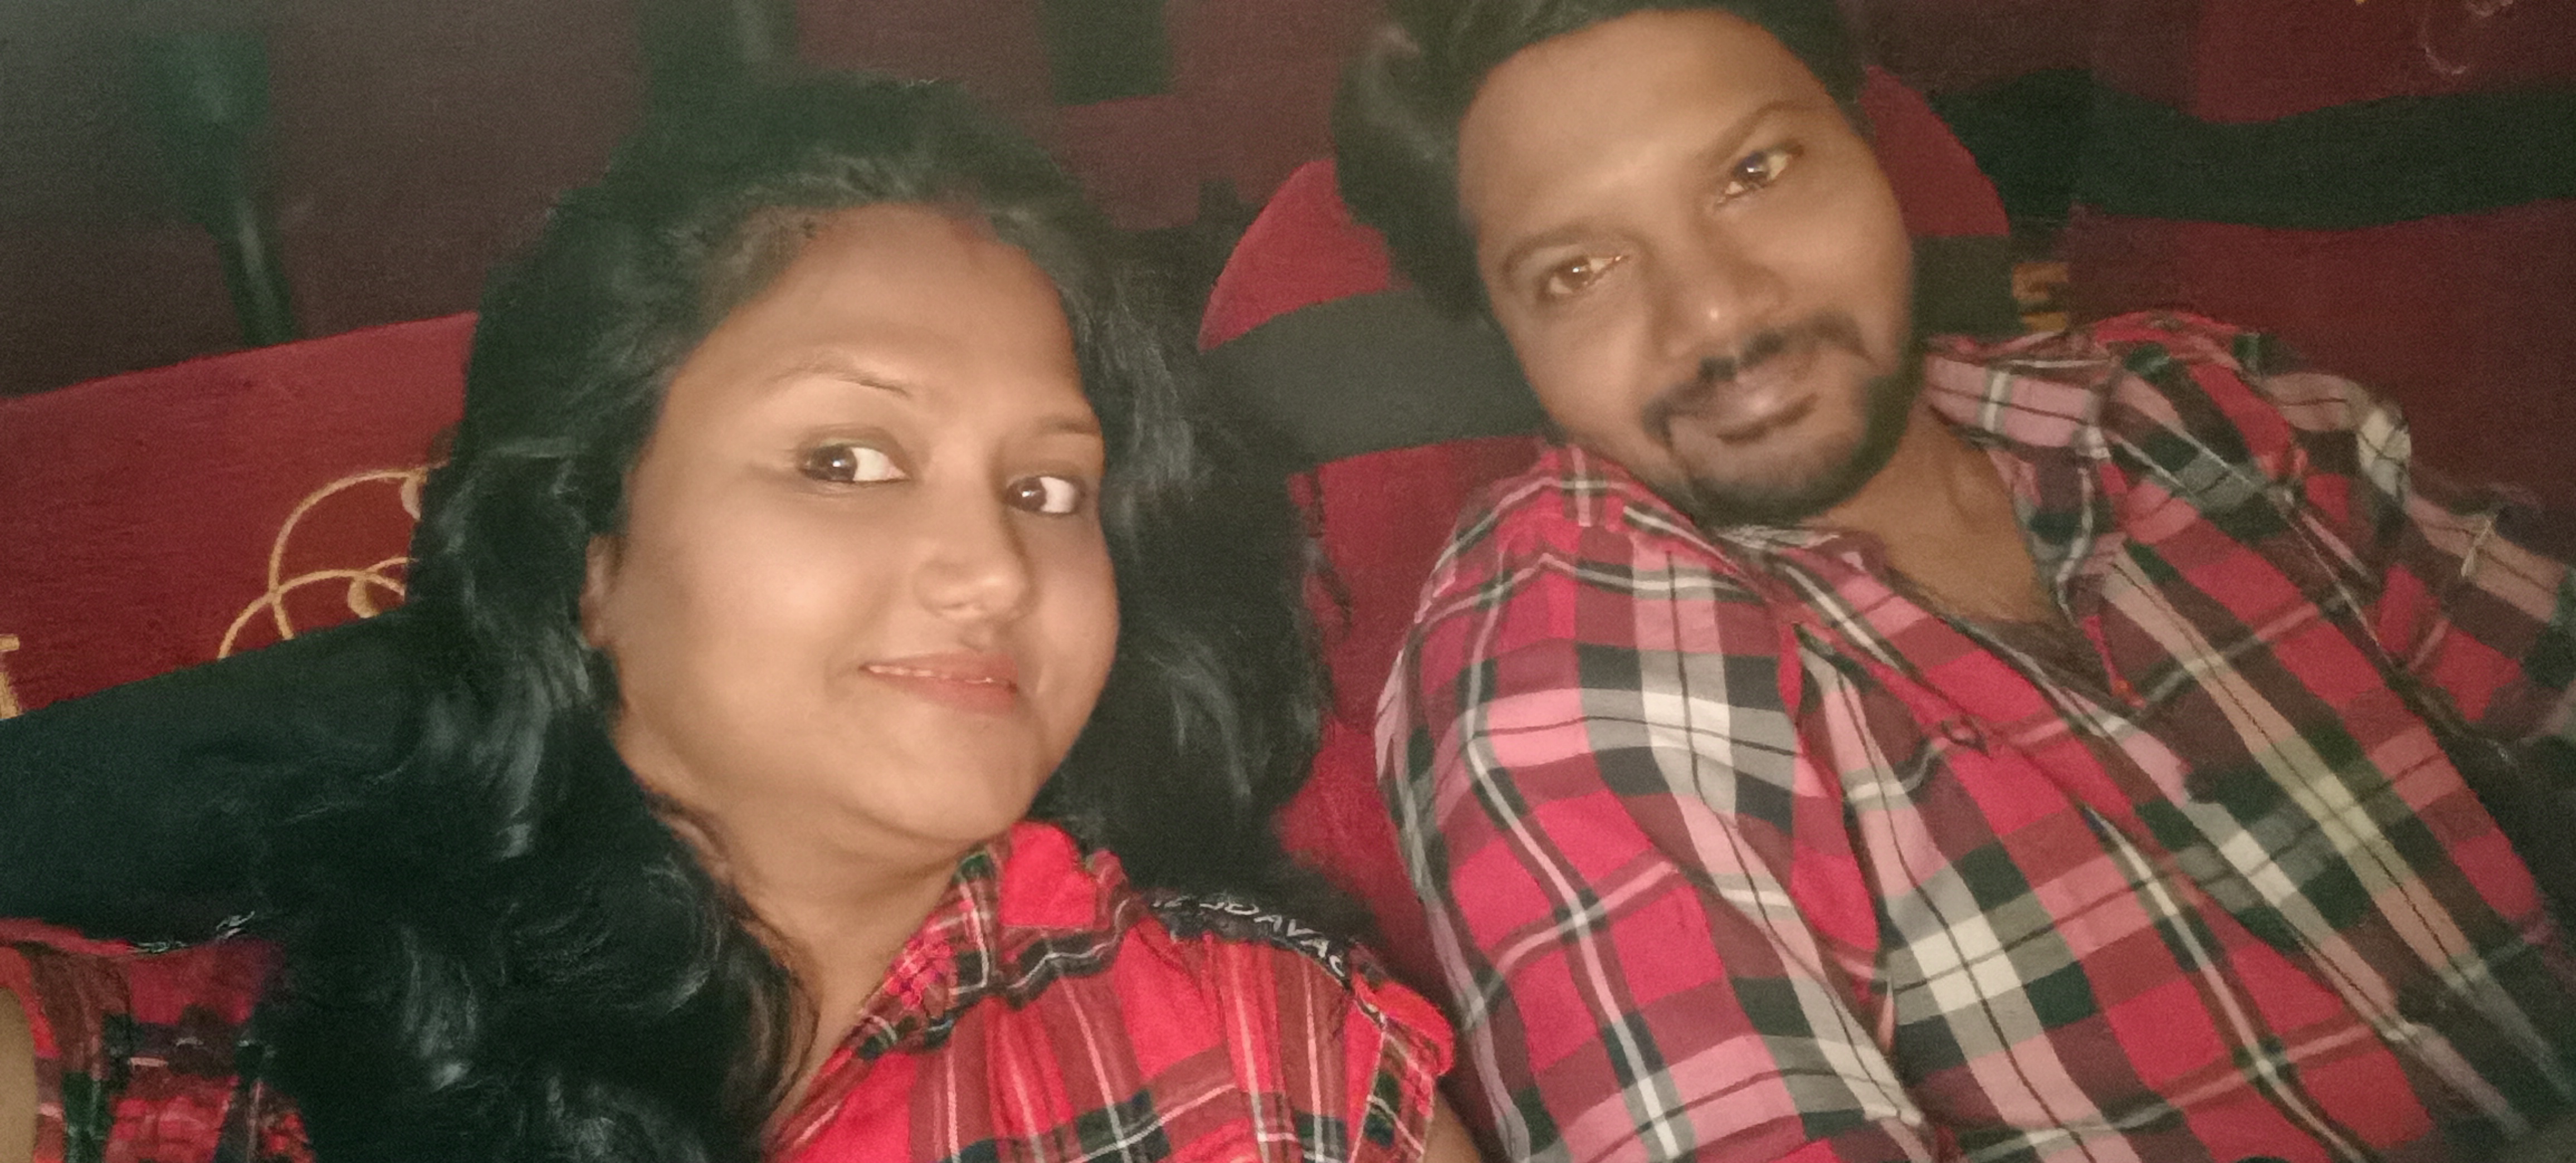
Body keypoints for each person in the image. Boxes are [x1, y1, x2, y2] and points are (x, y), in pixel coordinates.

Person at [0, 72, 1481, 1163]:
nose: (993, 569)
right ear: (587, 549)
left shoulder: (1266, 1074)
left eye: (1047, 488)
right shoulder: (220, 1067)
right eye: (844, 461)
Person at [1335, 1, 2576, 1160]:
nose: (1715, 314)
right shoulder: (1564, 648)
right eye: (1579, 271)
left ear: (1870, 147)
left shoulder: (2201, 404)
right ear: (1511, 342)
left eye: (1754, 171)